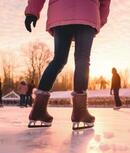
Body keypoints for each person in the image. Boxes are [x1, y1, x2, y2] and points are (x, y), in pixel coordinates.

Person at [24, 0, 111, 130]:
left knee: (59, 59)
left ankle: (38, 110)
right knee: (82, 60)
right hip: (88, 12)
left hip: (60, 12)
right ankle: (80, 112)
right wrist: (99, 20)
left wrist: (32, 11)